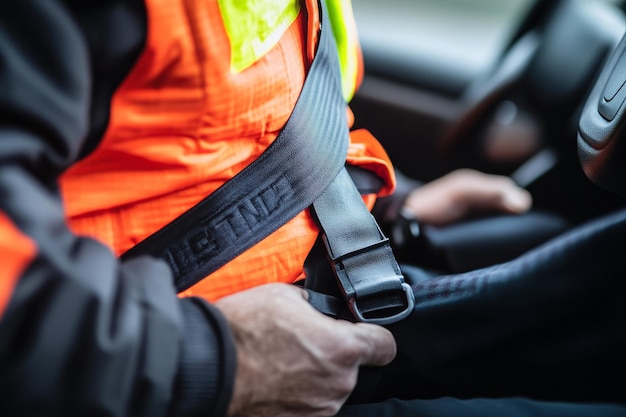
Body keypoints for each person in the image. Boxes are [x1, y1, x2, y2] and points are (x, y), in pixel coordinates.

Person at [1, 1, 626, 417]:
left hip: (303, 299)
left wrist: (386, 203)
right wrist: (218, 362)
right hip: (155, 371)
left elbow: (235, 132)